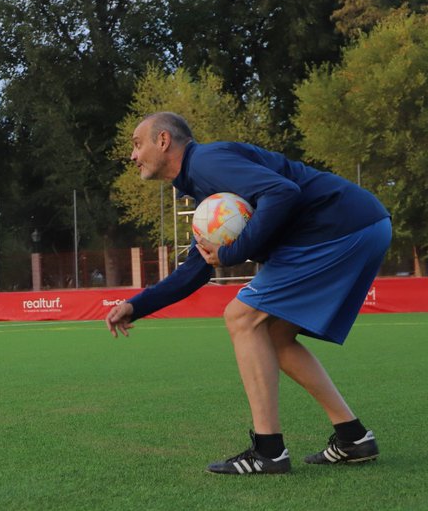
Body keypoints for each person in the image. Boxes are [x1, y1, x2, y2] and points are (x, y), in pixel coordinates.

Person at [106, 112, 391, 475]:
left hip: (339, 227)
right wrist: (136, 305)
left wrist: (231, 254)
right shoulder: (204, 186)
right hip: (364, 224)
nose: (132, 155)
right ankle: (353, 438)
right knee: (274, 335)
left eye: (136, 143)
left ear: (163, 141)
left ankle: (269, 451)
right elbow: (197, 267)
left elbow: (281, 192)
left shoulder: (207, 161)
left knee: (241, 316)